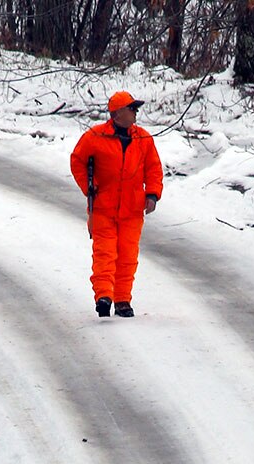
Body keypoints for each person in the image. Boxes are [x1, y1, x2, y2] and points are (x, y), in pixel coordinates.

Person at [70, 90, 164, 318]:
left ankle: (122, 301)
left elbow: (153, 169)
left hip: (132, 210)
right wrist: (89, 188)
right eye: (132, 109)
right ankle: (104, 296)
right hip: (103, 208)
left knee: (127, 256)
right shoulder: (95, 136)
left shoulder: (143, 138)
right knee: (105, 253)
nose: (135, 113)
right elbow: (77, 161)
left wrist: (152, 195)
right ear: (118, 113)